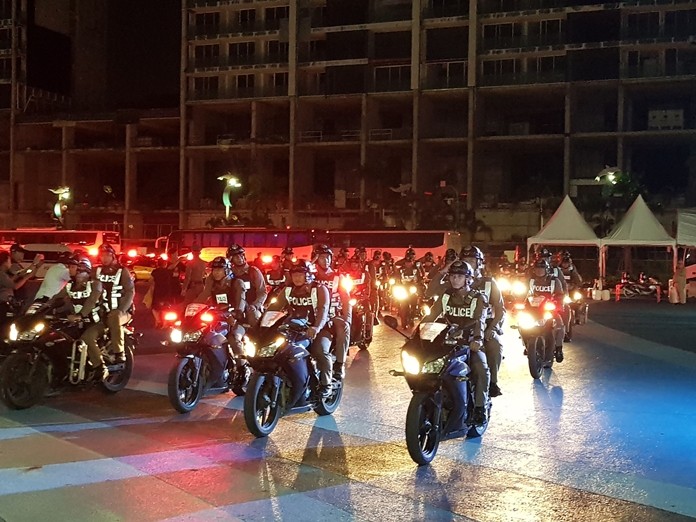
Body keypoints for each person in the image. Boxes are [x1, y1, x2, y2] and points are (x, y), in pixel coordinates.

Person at [421, 260, 490, 426]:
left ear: (468, 279)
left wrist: (477, 339)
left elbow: (480, 320)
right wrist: (417, 333)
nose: (455, 279)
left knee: (481, 369)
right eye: (452, 276)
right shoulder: (446, 296)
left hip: (470, 343)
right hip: (447, 342)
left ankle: (480, 408)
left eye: (459, 276)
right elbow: (431, 316)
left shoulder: (478, 298)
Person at [268, 259, 333, 397]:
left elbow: (323, 310)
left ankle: (326, 384)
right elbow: (274, 307)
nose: (297, 278)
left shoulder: (320, 289)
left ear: (308, 275)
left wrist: (316, 328)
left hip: (320, 328)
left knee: (320, 351)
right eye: (294, 275)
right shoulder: (288, 290)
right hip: (293, 328)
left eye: (300, 275)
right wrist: (263, 323)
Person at [41, 257, 107, 380]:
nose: (77, 274)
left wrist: (80, 315)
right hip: (78, 322)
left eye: (80, 271)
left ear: (87, 272)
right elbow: (57, 298)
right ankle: (63, 370)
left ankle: (100, 367)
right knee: (57, 337)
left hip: (97, 321)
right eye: (76, 271)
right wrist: (43, 307)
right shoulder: (70, 286)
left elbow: (92, 301)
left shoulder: (95, 284)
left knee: (87, 338)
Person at [460, 245, 505, 398]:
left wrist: (492, 328)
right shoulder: (455, 280)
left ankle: (492, 382)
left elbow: (500, 309)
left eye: (472, 260)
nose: (468, 263)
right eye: (465, 260)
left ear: (479, 263)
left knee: (495, 345)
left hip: (485, 326)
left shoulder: (489, 283)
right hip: (459, 327)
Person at [82, 243, 135, 373]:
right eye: (102, 256)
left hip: (122, 312)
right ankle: (98, 368)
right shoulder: (96, 271)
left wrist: (121, 309)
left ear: (113, 256)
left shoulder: (122, 271)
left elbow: (130, 291)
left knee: (114, 316)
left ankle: (119, 353)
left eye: (107, 255)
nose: (104, 258)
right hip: (102, 314)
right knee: (86, 336)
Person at [195, 256, 242, 387]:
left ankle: (241, 368)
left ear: (227, 270)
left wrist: (236, 314)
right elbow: (204, 295)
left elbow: (241, 302)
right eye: (214, 269)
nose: (216, 272)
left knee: (234, 339)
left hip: (235, 317)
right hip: (217, 315)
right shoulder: (211, 282)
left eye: (219, 270)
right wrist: (191, 308)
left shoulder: (236, 283)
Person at [313, 244, 351, 379]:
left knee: (344, 327)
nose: (326, 260)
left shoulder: (338, 277)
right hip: (311, 315)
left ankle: (339, 365)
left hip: (332, 315)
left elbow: (346, 299)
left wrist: (347, 318)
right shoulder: (309, 275)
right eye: (322, 257)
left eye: (328, 257)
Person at [528, 258, 566, 362]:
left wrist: (558, 304)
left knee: (559, 325)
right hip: (533, 310)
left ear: (546, 269)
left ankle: (559, 348)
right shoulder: (530, 280)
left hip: (549, 310)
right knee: (521, 324)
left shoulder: (554, 281)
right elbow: (522, 294)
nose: (539, 271)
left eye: (542, 268)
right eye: (537, 268)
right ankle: (527, 343)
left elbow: (560, 295)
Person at [226, 244, 267, 329]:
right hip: (233, 308)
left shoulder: (253, 271)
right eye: (236, 256)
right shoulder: (229, 274)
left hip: (251, 308)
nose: (239, 258)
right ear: (231, 259)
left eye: (241, 255)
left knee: (254, 318)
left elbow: (262, 292)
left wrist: (255, 305)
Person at [148, 257, 178, 328]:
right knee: (165, 308)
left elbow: (150, 280)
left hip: (157, 291)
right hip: (167, 292)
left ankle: (158, 321)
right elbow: (176, 275)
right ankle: (165, 323)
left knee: (155, 308)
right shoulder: (167, 272)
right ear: (165, 264)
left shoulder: (155, 271)